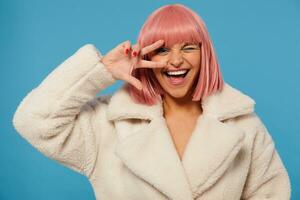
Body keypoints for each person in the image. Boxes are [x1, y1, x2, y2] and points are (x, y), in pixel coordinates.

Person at [12, 3, 291, 200]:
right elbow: (33, 122)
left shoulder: (244, 125)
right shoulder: (108, 124)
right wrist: (101, 71)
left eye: (189, 47)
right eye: (163, 49)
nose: (176, 60)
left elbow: (270, 193)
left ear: (205, 55)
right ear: (147, 56)